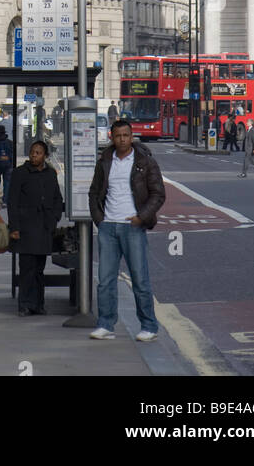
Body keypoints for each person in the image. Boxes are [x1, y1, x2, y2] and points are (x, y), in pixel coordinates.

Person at [88, 119, 165, 344]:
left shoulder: (145, 162)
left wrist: (142, 217)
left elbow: (158, 194)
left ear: (131, 137)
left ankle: (149, 326)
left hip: (133, 226)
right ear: (112, 137)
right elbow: (94, 193)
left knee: (140, 279)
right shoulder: (104, 160)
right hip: (108, 227)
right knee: (105, 280)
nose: (122, 139)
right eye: (118, 135)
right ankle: (105, 324)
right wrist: (100, 220)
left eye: (126, 135)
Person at [7, 139, 64, 316]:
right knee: (26, 268)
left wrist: (54, 218)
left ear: (45, 156)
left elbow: (56, 198)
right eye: (32, 152)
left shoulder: (50, 174)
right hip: (25, 227)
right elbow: (12, 201)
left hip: (44, 227)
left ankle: (38, 304)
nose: (34, 155)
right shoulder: (19, 173)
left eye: (38, 152)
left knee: (39, 269)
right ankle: (24, 304)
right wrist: (14, 227)